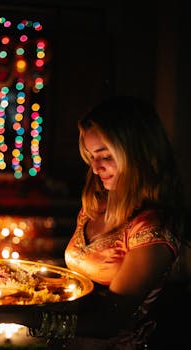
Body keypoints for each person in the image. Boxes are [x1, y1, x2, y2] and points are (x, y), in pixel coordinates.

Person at [32, 95, 186, 350]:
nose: (95, 168)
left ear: (137, 153)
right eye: (91, 156)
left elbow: (108, 322)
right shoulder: (93, 207)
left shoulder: (151, 229)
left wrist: (16, 316)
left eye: (105, 156)